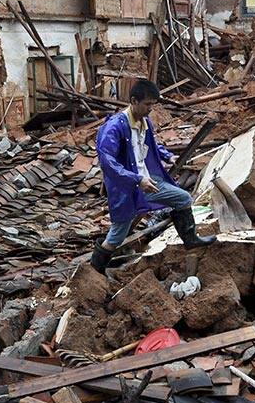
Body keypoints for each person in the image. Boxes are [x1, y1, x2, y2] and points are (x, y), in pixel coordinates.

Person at [90, 79, 214, 272]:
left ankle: (191, 240)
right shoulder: (114, 127)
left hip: (147, 181)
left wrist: (167, 156)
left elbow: (150, 146)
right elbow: (107, 162)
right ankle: (93, 271)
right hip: (127, 189)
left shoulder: (144, 122)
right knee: (116, 236)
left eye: (152, 104)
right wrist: (136, 179)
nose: (150, 109)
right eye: (147, 104)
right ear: (133, 101)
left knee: (182, 198)